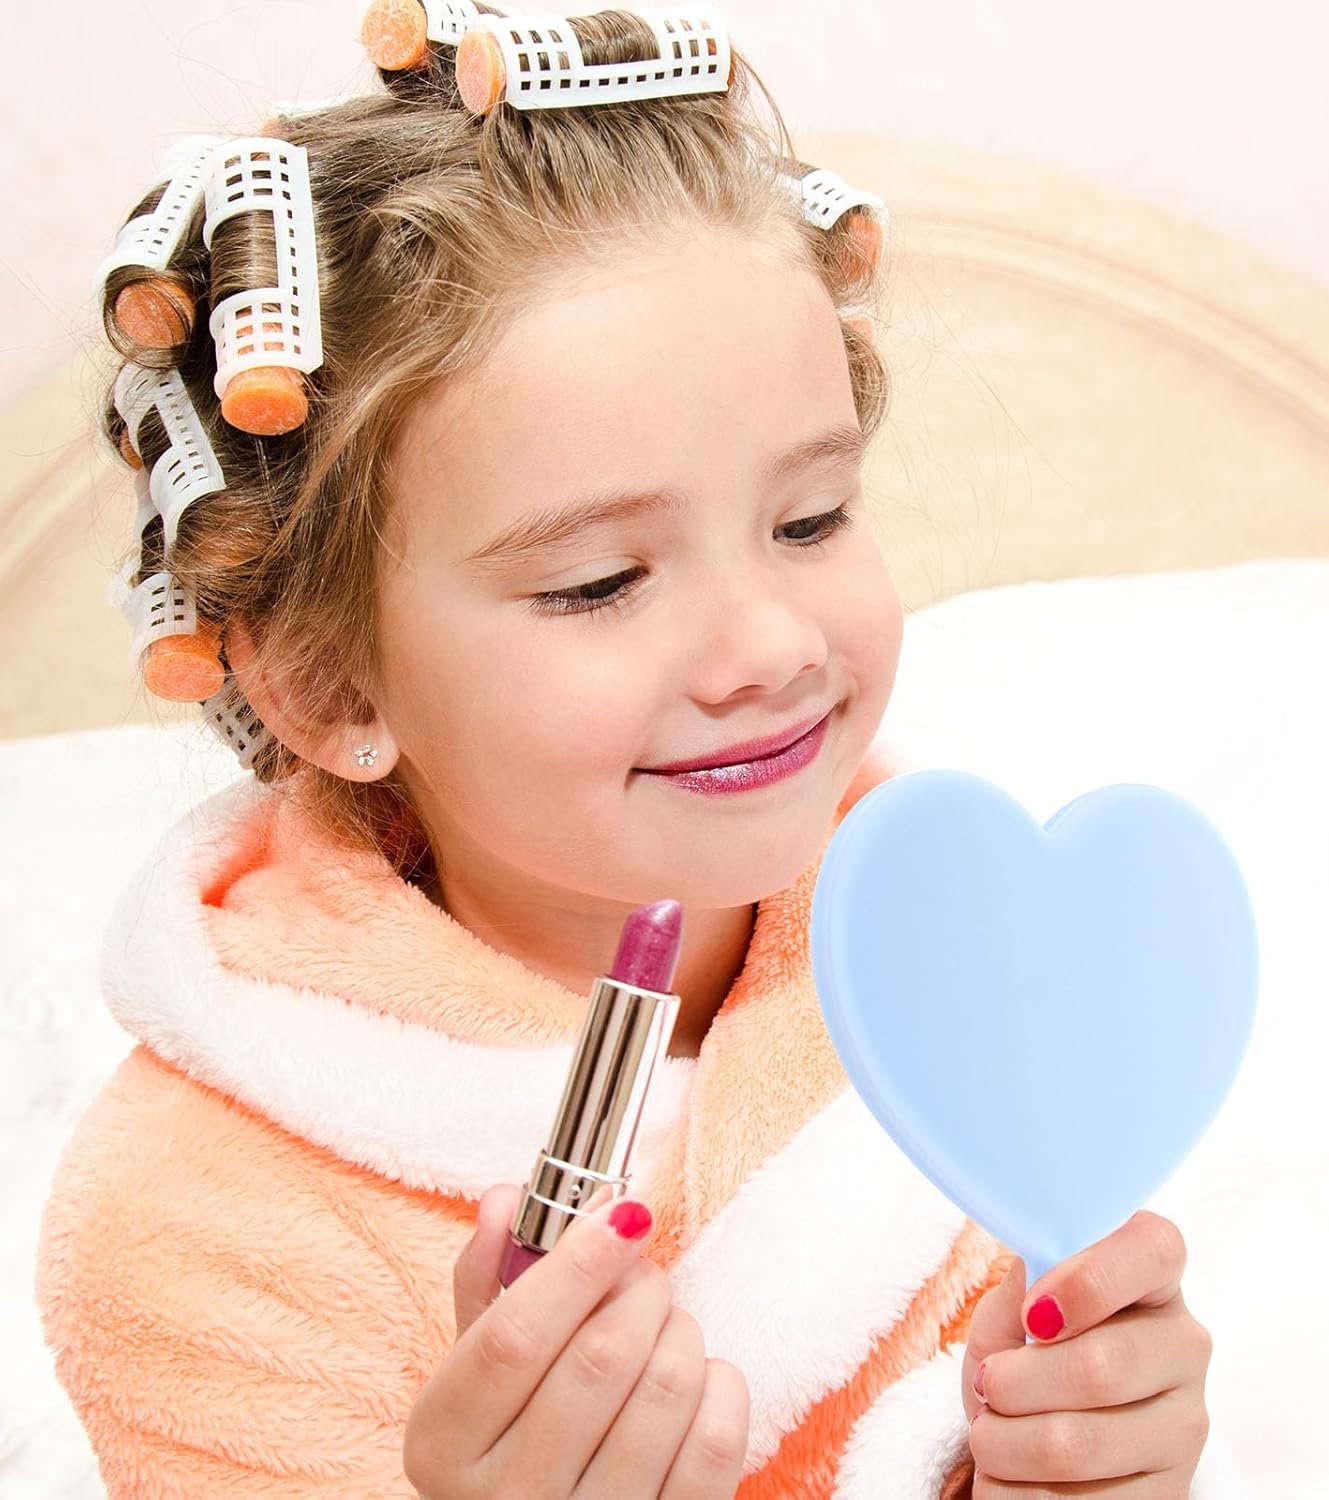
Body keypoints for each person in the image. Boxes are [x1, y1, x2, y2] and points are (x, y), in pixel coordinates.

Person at [34, 5, 1218, 1495]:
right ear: (331, 686)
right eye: (599, 583)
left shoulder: (963, 967)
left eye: (810, 519)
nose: (771, 645)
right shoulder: (191, 1233)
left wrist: (1073, 1466)